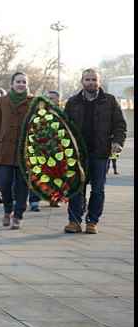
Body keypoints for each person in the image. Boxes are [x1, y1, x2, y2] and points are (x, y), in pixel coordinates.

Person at [63, 68, 126, 235]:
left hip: (101, 152)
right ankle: (74, 221)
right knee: (76, 188)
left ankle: (92, 220)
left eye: (94, 79)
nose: (91, 82)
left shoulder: (110, 101)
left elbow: (120, 124)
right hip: (76, 154)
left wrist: (118, 142)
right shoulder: (72, 102)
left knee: (98, 188)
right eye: (87, 79)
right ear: (81, 81)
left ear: (99, 81)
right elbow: (63, 127)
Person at [0, 71, 34, 229]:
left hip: (24, 149)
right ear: (12, 84)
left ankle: (18, 215)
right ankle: (8, 210)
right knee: (5, 181)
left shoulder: (34, 101)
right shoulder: (2, 101)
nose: (21, 85)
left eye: (24, 82)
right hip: (4, 146)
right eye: (18, 82)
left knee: (22, 183)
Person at [43, 90, 64, 207]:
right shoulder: (40, 113)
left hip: (58, 150)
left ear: (58, 101)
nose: (48, 100)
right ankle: (34, 200)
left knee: (57, 174)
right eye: (47, 98)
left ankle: (55, 198)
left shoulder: (62, 113)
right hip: (43, 148)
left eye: (51, 98)